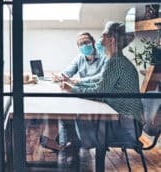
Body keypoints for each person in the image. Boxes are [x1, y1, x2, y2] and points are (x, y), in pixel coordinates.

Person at [61, 21, 144, 149]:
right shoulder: (116, 60)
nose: (99, 40)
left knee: (76, 116)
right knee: (78, 114)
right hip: (128, 122)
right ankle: (73, 149)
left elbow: (99, 92)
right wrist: (76, 86)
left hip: (127, 127)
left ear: (111, 40)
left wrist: (73, 89)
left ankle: (75, 150)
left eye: (102, 36)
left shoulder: (115, 62)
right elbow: (100, 82)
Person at [40, 32, 108, 161]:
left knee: (68, 110)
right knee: (62, 107)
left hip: (98, 97)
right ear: (78, 47)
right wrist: (61, 76)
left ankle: (73, 142)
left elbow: (101, 78)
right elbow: (68, 72)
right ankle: (66, 143)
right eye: (81, 44)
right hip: (84, 94)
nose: (84, 45)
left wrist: (79, 81)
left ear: (93, 42)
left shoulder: (104, 58)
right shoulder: (80, 58)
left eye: (86, 42)